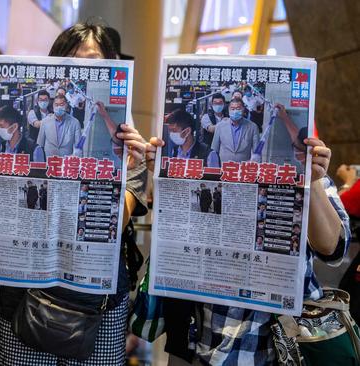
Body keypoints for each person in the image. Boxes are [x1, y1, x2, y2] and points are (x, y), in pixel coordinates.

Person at [0, 22, 148, 365]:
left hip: (99, 306)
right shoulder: (27, 130)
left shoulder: (128, 144)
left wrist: (126, 162)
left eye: (93, 62)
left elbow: (116, 219)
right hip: (23, 299)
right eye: (69, 61)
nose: (80, 71)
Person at [143, 132, 351, 365]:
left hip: (283, 344)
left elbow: (332, 248)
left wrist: (311, 180)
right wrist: (161, 169)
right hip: (204, 338)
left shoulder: (309, 178)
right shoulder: (206, 172)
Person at [211, 97, 260, 164]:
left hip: (243, 169)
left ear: (243, 110)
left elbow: (257, 153)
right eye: (232, 109)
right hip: (224, 168)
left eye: (238, 109)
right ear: (228, 110)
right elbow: (214, 150)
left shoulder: (252, 127)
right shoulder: (220, 126)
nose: (235, 111)